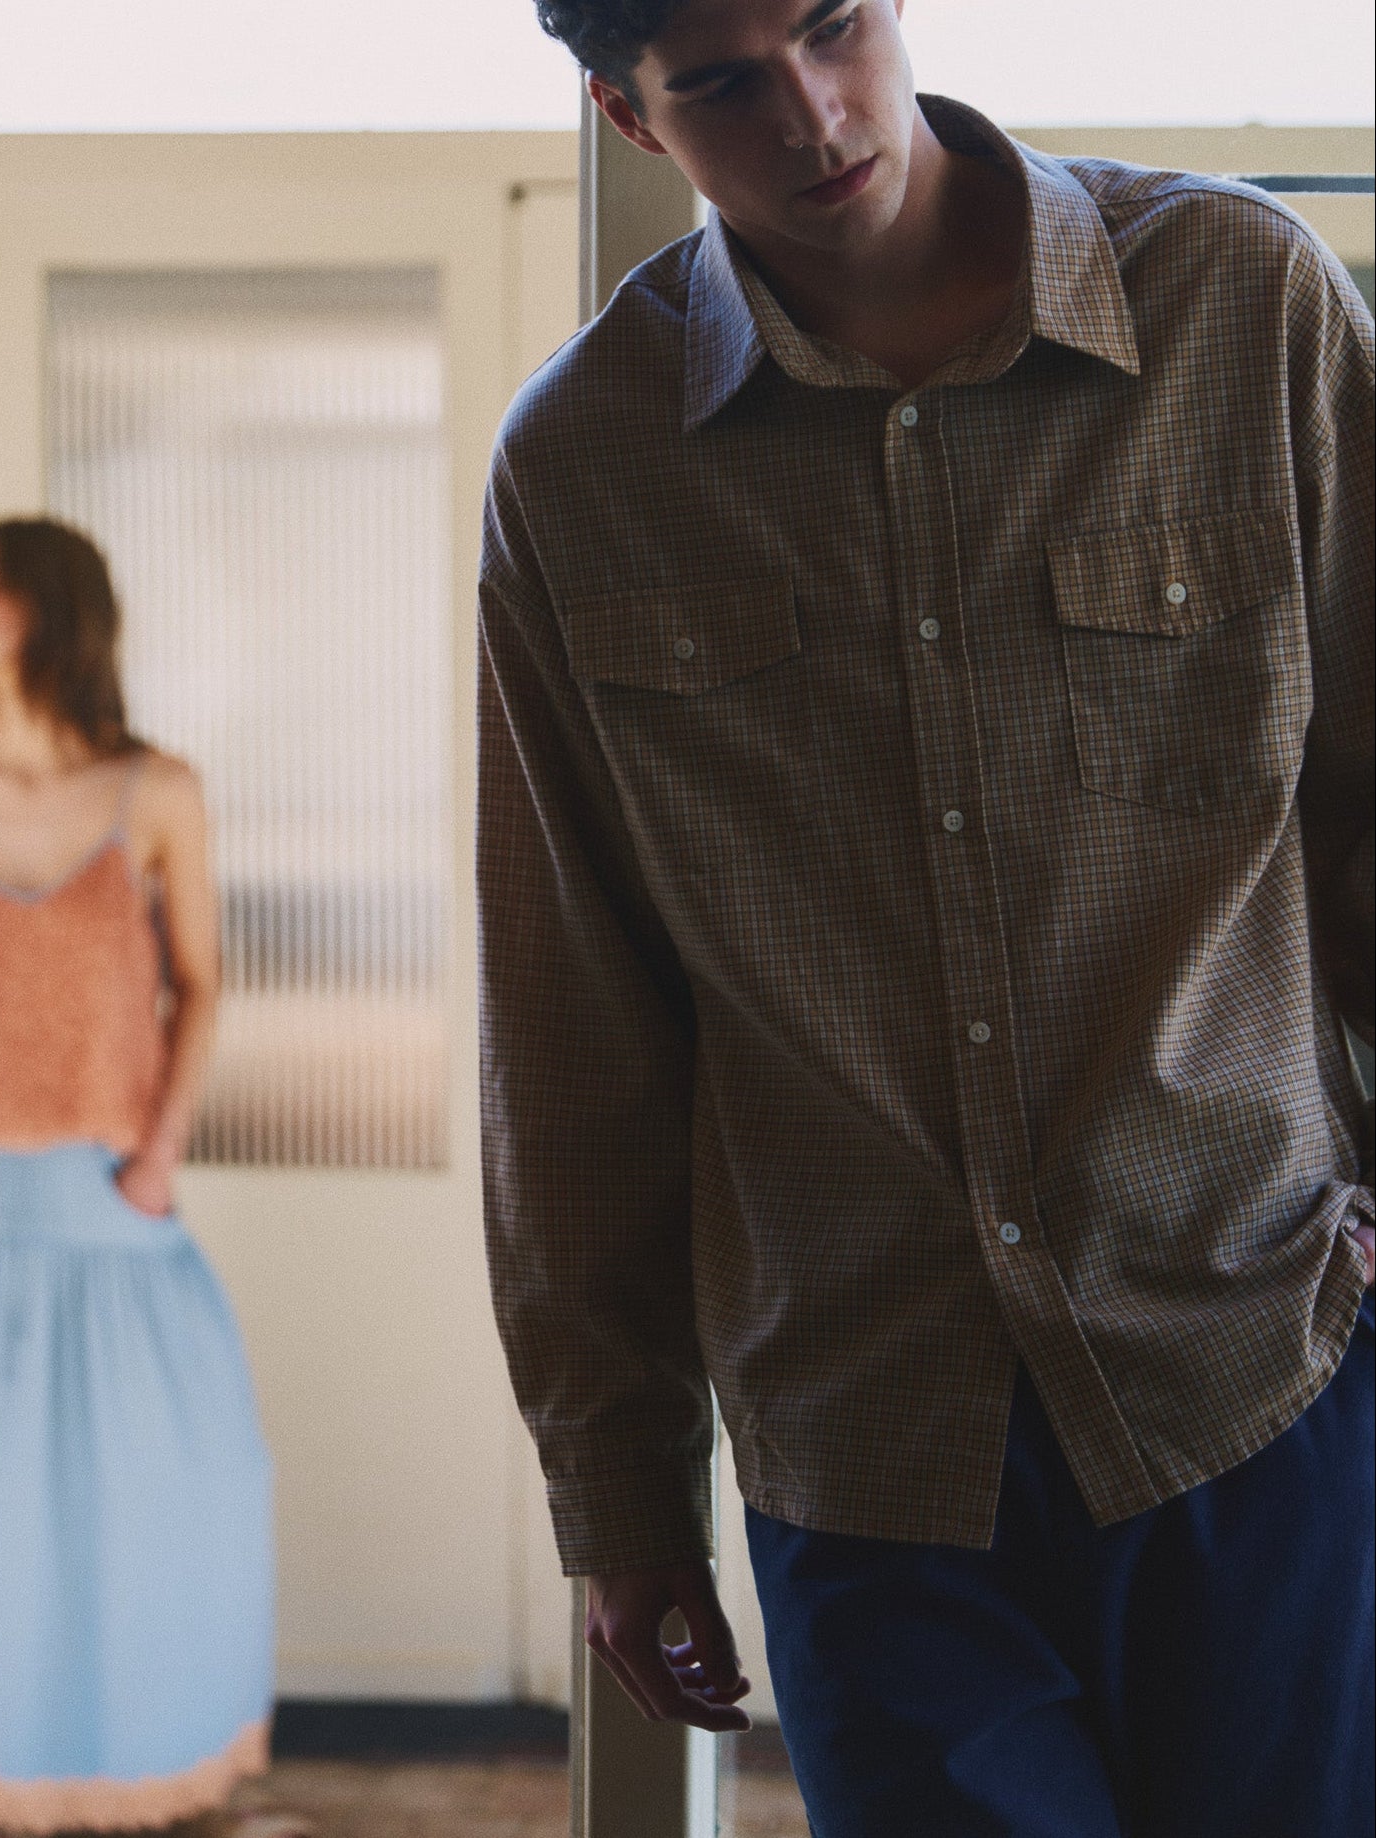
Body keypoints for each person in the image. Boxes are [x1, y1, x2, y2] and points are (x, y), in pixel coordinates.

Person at [475, 1, 1375, 1832]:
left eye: (828, 24)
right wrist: (621, 1489)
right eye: (722, 81)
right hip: (867, 1456)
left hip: (1258, 1386)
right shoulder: (581, 466)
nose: (810, 110)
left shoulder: (1245, 308)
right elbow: (573, 1014)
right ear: (625, 115)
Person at [0, 519, 296, 1838]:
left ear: (55, 609)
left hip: (107, 1210)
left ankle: (102, 1775)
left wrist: (161, 1148)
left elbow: (202, 980)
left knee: (144, 1515)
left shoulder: (158, 791)